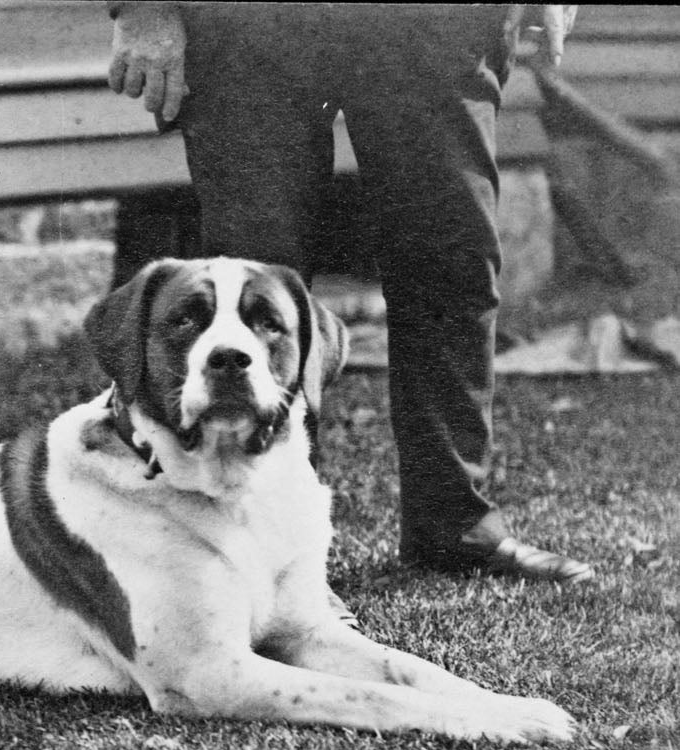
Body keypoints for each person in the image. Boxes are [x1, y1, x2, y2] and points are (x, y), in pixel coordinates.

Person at [106, 2, 594, 584]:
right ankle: (274, 549)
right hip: (249, 24)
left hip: (431, 25)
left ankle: (456, 529)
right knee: (254, 280)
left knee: (450, 258)